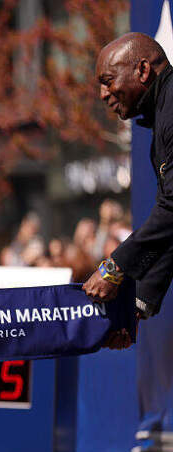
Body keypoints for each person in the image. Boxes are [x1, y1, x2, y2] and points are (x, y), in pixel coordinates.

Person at [86, 32, 173, 349]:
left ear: (143, 70)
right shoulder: (163, 113)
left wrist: (115, 267)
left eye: (108, 81)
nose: (102, 93)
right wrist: (136, 305)